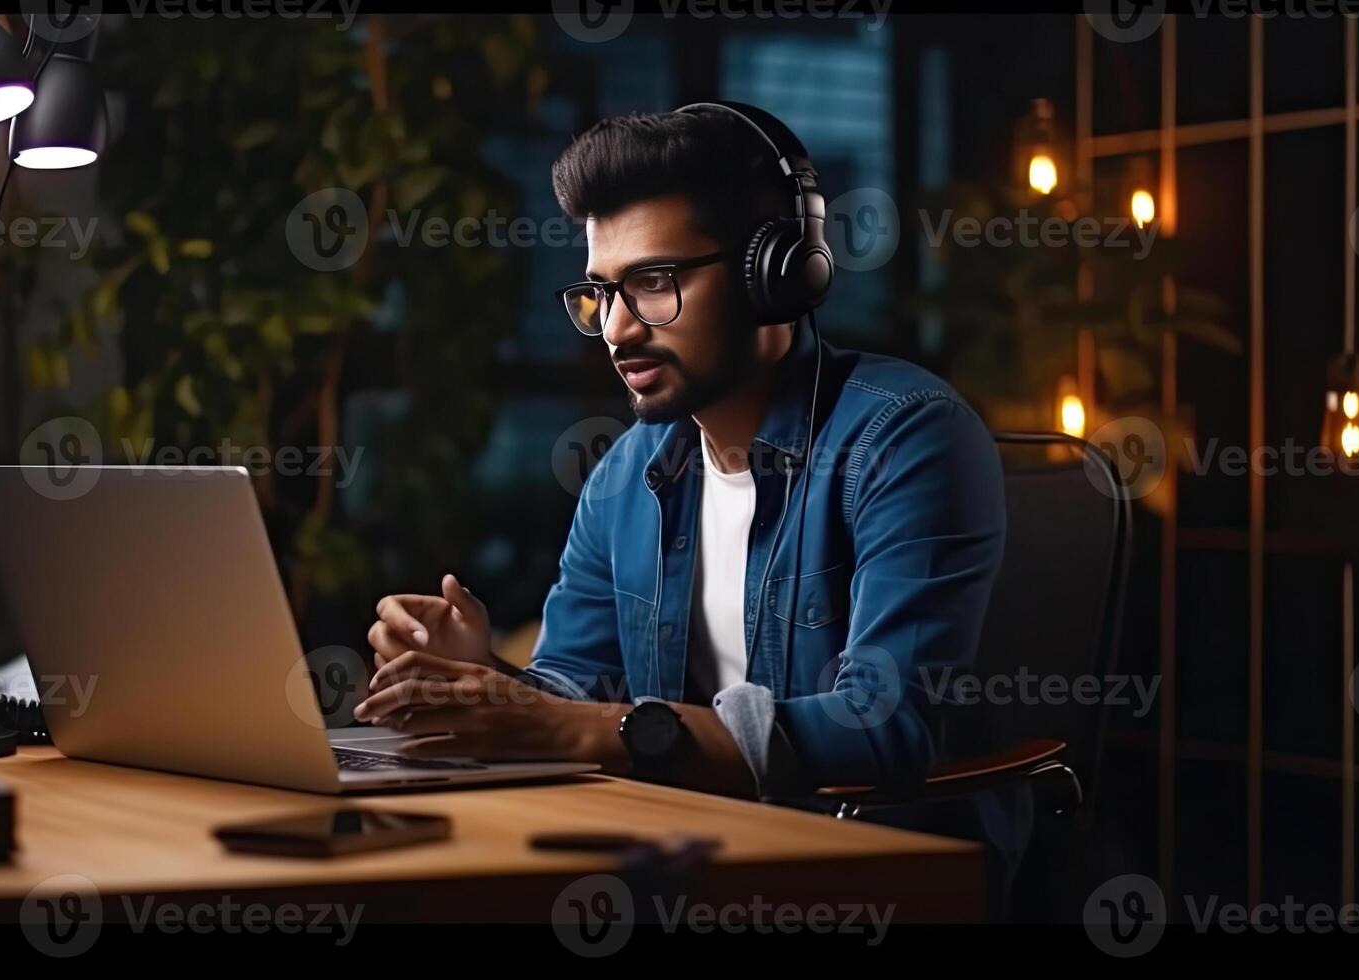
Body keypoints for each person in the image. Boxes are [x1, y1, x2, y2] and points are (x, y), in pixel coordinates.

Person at [354, 105, 1017, 867]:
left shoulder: (906, 438)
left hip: (873, 869)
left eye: (654, 283)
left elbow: (884, 723)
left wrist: (568, 727)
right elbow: (576, 696)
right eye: (600, 293)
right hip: (683, 852)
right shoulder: (625, 475)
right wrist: (486, 680)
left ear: (774, 273)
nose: (616, 331)